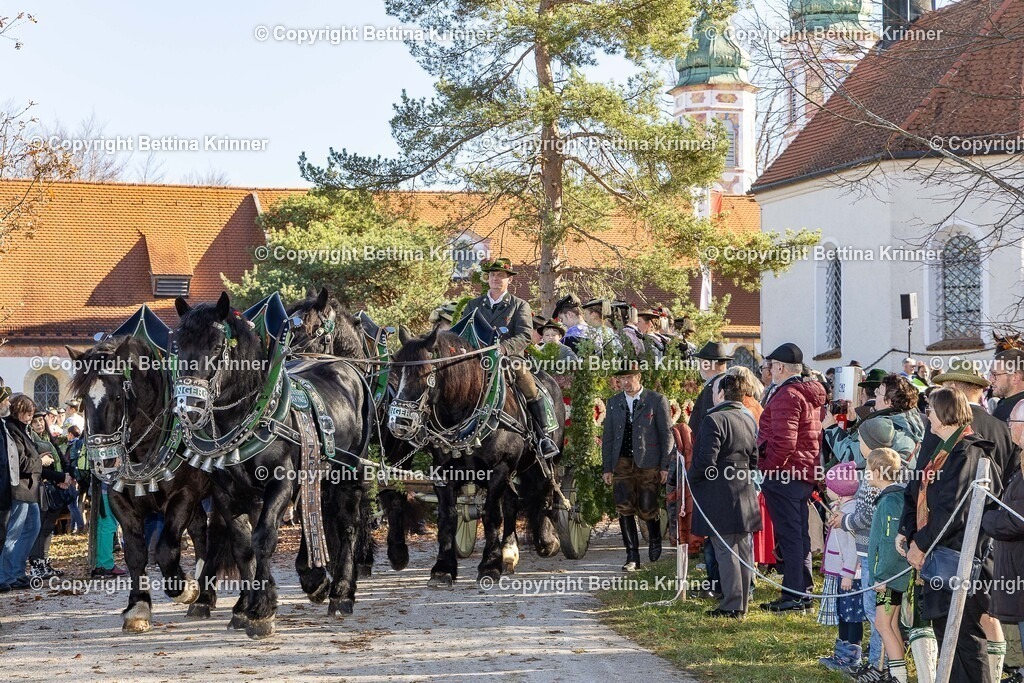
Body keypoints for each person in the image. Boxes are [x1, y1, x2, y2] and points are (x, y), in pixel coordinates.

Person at [905, 387, 999, 683]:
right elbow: (920, 493)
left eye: (931, 409)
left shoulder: (968, 452)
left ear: (944, 414)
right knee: (949, 635)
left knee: (965, 638)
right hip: (943, 556)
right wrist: (909, 532)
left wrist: (920, 544)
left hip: (960, 559)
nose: (927, 415)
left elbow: (952, 511)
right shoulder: (943, 449)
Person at [458, 258, 558, 459]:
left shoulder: (519, 305)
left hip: (508, 358)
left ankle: (543, 434)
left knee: (524, 376)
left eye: (500, 275)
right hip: (477, 360)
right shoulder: (473, 305)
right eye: (493, 275)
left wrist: (503, 348)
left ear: (508, 280)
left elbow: (524, 336)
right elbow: (463, 332)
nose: (496, 278)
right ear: (488, 278)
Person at [758, 342, 827, 613]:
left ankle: (794, 596)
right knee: (799, 535)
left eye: (771, 366)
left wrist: (768, 467)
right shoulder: (807, 392)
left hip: (786, 474)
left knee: (791, 536)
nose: (769, 371)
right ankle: (802, 592)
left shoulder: (788, 395)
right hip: (802, 471)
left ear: (780, 367)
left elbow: (784, 443)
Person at [688, 373, 761, 618]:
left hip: (720, 490)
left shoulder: (714, 419)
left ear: (721, 394)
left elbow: (705, 461)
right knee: (742, 548)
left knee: (726, 549)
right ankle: (741, 604)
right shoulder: (749, 417)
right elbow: (754, 459)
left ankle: (732, 605)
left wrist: (692, 479)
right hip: (743, 487)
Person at [602, 365, 673, 572]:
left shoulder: (656, 400)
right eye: (622, 378)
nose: (625, 382)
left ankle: (654, 539)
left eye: (629, 377)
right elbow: (607, 437)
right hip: (622, 462)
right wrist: (607, 467)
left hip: (648, 462)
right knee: (624, 509)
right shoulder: (614, 403)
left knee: (647, 506)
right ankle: (632, 555)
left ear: (638, 377)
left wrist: (665, 466)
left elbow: (666, 434)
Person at [2, 394, 61, 591]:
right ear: (18, 411)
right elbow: (19, 462)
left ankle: (17, 572)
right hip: (19, 489)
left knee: (31, 529)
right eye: (28, 413)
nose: (31, 417)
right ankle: (8, 575)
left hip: (30, 489)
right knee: (15, 533)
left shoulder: (20, 429)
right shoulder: (11, 429)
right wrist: (40, 461)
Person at [865, 447, 913, 683]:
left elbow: (886, 542)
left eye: (868, 469)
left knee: (882, 624)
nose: (865, 474)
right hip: (891, 576)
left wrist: (879, 576)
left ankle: (899, 677)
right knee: (891, 623)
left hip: (889, 578)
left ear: (878, 472)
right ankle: (897, 672)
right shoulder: (892, 498)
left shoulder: (889, 502)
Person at [816, 461, 864, 671]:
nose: (826, 489)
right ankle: (842, 652)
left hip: (850, 576)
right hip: (841, 574)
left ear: (839, 489)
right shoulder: (842, 507)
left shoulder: (850, 513)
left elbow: (853, 547)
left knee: (852, 615)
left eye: (829, 486)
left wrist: (847, 573)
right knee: (843, 614)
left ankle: (852, 656)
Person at [823, 373, 924, 469]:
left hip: (882, 485)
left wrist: (831, 428)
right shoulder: (908, 421)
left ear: (888, 402)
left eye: (878, 393)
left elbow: (852, 457)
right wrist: (853, 422)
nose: (875, 397)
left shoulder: (886, 427)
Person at [991, 348, 1024, 423]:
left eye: (995, 375)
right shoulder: (1005, 405)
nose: (991, 380)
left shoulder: (1018, 409)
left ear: (1015, 378)